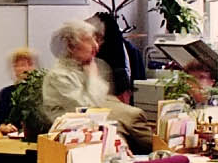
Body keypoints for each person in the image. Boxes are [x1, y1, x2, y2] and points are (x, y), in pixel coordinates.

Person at [41, 20, 154, 154]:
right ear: (71, 46)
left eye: (95, 40)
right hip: (71, 139)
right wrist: (93, 77)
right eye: (88, 40)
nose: (95, 46)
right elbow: (89, 109)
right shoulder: (59, 76)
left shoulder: (91, 67)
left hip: (92, 131)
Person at [0, 47, 39, 135]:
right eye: (22, 65)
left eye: (30, 64)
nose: (26, 69)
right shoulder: (6, 93)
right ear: (15, 68)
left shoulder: (42, 93)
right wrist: (6, 128)